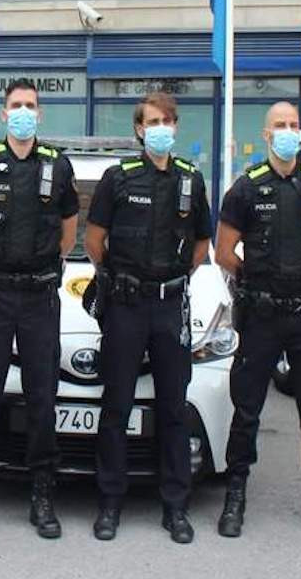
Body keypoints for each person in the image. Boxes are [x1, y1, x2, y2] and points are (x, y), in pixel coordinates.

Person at [0, 79, 79, 540]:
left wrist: (51, 263)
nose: (23, 112)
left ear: (38, 114)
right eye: (15, 106)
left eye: (30, 106)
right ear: (4, 115)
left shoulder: (56, 166)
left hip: (40, 298)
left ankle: (42, 493)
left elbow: (69, 226)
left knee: (43, 396)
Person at [215, 101, 301, 541]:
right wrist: (256, 280)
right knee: (247, 408)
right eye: (280, 126)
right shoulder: (247, 187)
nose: (288, 131)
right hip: (262, 315)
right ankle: (235, 497)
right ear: (267, 134)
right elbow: (223, 251)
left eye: (294, 124)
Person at [86, 92, 212, 544]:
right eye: (151, 121)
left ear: (176, 127)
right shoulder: (117, 178)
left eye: (167, 120)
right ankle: (110, 502)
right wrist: (117, 278)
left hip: (170, 306)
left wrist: (173, 278)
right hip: (126, 305)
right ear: (139, 130)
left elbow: (201, 242)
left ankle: (175, 507)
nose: (159, 127)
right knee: (116, 406)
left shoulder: (191, 181)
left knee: (173, 409)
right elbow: (94, 239)